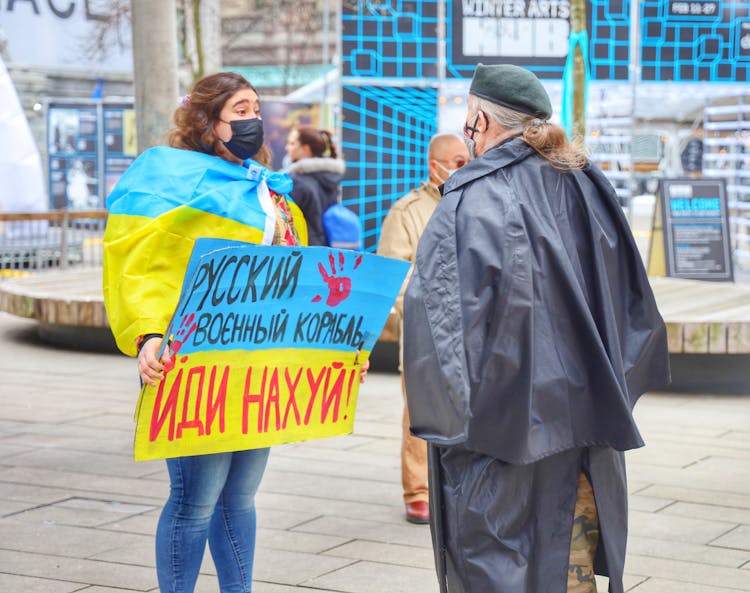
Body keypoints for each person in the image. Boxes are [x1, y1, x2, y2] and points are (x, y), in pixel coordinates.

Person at [402, 64, 670, 593]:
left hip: (500, 435)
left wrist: (448, 429)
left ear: (480, 120)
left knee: (500, 567)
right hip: (583, 430)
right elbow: (631, 305)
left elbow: (436, 328)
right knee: (568, 571)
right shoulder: (587, 184)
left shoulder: (468, 199)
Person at [102, 72, 368, 593]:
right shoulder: (164, 176)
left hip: (254, 367)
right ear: (208, 121)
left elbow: (297, 282)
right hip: (191, 363)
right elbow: (139, 264)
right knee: (194, 500)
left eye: (255, 108)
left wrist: (334, 347)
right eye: (240, 109)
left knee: (240, 498)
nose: (254, 120)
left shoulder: (269, 188)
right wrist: (148, 335)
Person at [377, 133, 470, 524]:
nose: (466, 167)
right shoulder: (407, 210)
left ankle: (460, 488)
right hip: (426, 331)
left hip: (471, 328)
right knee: (419, 412)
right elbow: (393, 272)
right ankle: (418, 491)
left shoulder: (476, 202)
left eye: (469, 159)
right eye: (458, 161)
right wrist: (418, 314)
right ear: (435, 166)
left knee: (468, 410)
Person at [284, 125, 346, 246]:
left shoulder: (296, 182)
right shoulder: (330, 177)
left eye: (292, 144)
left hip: (303, 253)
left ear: (306, 149)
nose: (287, 148)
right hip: (327, 250)